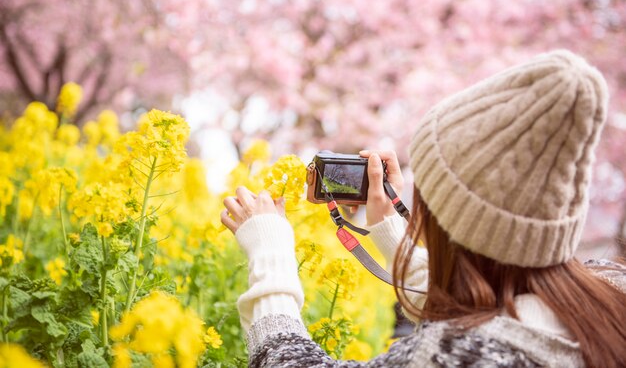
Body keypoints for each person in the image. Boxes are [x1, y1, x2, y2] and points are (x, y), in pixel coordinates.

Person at [221, 50, 626, 367]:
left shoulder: (459, 354)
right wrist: (389, 231)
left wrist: (270, 253)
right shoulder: (611, 288)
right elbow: (489, 294)